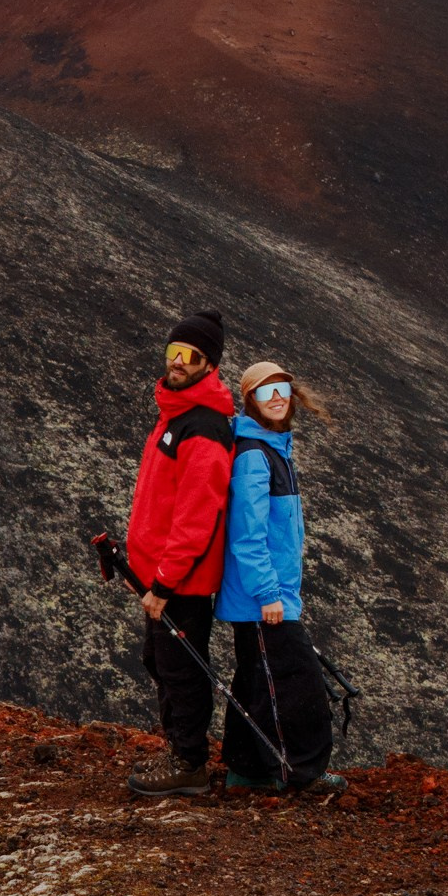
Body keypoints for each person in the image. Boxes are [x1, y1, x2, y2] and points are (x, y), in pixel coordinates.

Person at [216, 361, 345, 793]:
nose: (276, 397)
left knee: (256, 678)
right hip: (264, 598)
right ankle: (301, 773)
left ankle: (246, 772)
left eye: (282, 389)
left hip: (266, 594)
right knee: (295, 681)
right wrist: (269, 594)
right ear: (250, 400)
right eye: (265, 390)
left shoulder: (274, 450)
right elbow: (247, 535)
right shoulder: (255, 456)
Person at [123, 309, 236, 798]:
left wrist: (165, 582)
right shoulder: (175, 415)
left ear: (209, 364)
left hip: (181, 583)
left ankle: (189, 764)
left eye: (189, 356)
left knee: (181, 667)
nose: (177, 363)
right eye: (172, 353)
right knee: (160, 659)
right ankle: (180, 749)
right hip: (163, 580)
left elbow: (197, 515)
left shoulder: (204, 427)